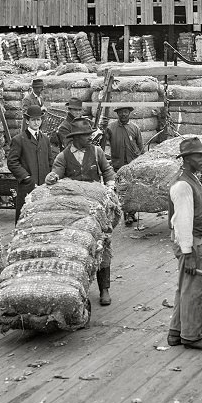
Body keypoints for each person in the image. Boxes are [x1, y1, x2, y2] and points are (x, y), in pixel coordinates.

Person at [46, 121, 116, 306]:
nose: (89, 138)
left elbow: (107, 171)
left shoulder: (97, 152)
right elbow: (56, 174)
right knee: (76, 248)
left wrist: (110, 187)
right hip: (75, 211)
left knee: (103, 244)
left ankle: (104, 289)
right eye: (86, 135)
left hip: (96, 209)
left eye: (89, 134)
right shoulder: (63, 156)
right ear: (76, 138)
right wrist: (52, 178)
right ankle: (77, 289)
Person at [166, 137, 202, 351]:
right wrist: (188, 253)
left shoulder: (192, 179)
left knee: (185, 286)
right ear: (187, 159)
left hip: (194, 238)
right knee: (194, 290)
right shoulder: (182, 185)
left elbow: (197, 213)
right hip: (188, 243)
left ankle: (176, 332)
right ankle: (192, 336)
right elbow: (182, 222)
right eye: (199, 156)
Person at [5, 105, 52, 224]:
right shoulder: (19, 139)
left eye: (38, 120)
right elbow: (12, 162)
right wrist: (25, 177)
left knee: (42, 218)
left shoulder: (45, 139)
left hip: (43, 186)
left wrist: (49, 177)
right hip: (28, 186)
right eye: (33, 120)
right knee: (25, 218)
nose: (36, 123)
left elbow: (50, 161)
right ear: (27, 121)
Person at [103, 105, 144, 225]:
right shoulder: (111, 128)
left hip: (132, 164)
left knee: (134, 189)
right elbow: (103, 141)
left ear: (129, 113)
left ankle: (131, 213)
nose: (123, 114)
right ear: (117, 114)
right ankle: (127, 214)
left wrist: (142, 160)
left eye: (126, 112)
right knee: (122, 191)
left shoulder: (135, 128)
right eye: (121, 112)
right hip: (118, 165)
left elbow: (141, 147)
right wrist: (103, 128)